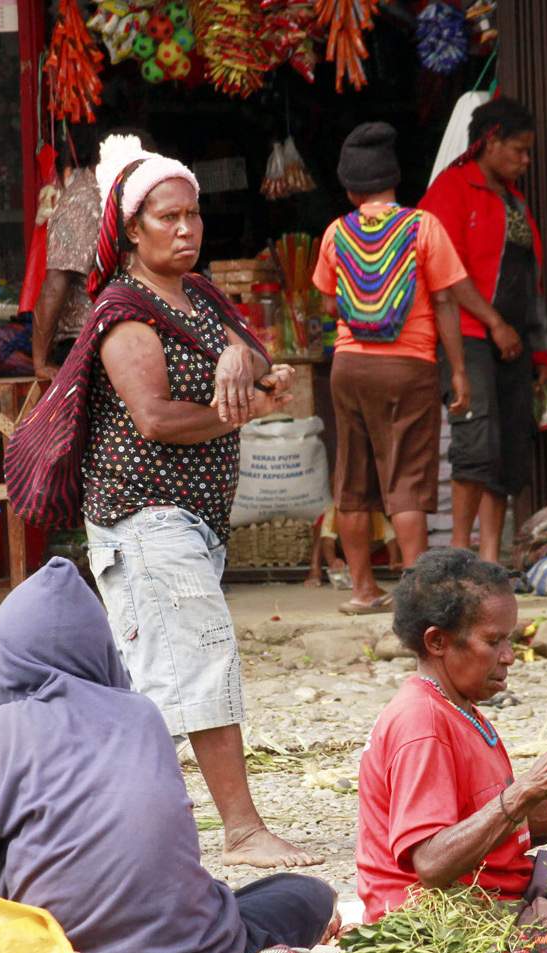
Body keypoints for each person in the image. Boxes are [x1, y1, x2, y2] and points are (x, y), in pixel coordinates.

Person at [0, 557, 336, 953]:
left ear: (4, 657)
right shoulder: (142, 714)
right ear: (101, 649)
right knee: (310, 893)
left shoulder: (0, 731)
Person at [79, 134, 315, 869]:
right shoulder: (125, 313)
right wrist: (242, 407)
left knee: (157, 678)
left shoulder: (200, 294)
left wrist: (241, 359)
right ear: (131, 228)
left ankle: (115, 829)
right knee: (205, 660)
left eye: (192, 216)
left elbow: (265, 362)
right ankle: (242, 831)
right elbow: (154, 418)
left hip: (188, 517)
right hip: (145, 515)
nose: (184, 230)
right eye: (166, 218)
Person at [356, 549, 547, 922]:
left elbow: (499, 834)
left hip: (494, 896)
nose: (509, 657)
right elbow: (432, 864)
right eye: (494, 642)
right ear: (437, 641)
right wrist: (527, 789)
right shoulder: (422, 723)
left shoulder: (459, 708)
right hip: (446, 924)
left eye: (510, 640)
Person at [314, 122, 501, 614]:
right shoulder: (423, 227)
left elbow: (330, 301)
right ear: (395, 178)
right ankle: (414, 599)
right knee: (406, 484)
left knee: (352, 484)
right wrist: (457, 370)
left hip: (349, 367)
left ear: (350, 186)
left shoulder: (336, 233)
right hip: (409, 365)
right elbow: (444, 304)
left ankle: (362, 591)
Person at [419, 97, 547, 563]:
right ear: (491, 141)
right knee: (475, 445)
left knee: (506, 452)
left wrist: (543, 360)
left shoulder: (514, 201)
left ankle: (489, 558)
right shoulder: (451, 189)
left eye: (528, 152)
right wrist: (494, 322)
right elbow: (446, 270)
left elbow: (532, 283)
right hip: (469, 339)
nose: (525, 160)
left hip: (514, 343)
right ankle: (461, 554)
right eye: (518, 150)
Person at [30, 127, 152, 381]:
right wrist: (40, 362)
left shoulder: (115, 197)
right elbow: (54, 286)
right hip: (87, 345)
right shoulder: (82, 203)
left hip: (119, 338)